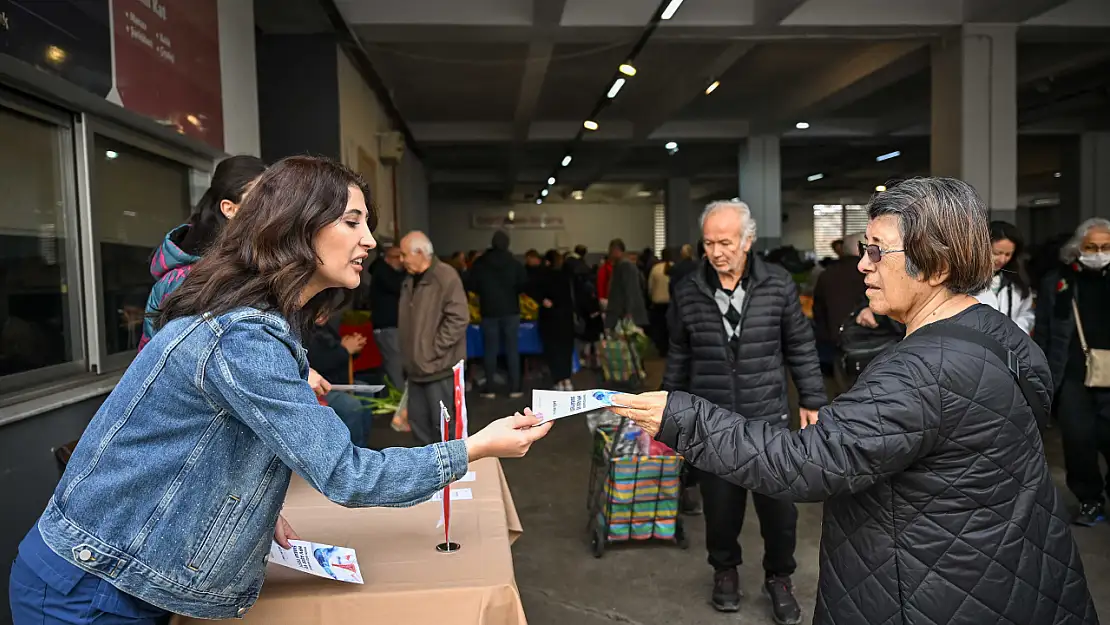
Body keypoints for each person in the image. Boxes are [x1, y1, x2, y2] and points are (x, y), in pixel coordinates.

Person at [9, 156, 553, 625]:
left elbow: (206, 446)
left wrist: (250, 509)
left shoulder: (249, 320)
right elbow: (347, 474)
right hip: (89, 591)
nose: (369, 240)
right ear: (296, 226)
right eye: (352, 221)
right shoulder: (242, 335)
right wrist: (476, 446)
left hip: (111, 577)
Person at [613, 178, 1096, 625]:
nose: (862, 263)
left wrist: (680, 417)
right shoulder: (999, 336)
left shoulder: (921, 371)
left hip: (932, 589)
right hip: (1011, 570)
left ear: (938, 265)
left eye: (876, 251)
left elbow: (807, 462)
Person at [664, 200, 824, 623]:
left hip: (767, 419)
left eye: (726, 242)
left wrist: (811, 398)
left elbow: (801, 344)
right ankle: (725, 572)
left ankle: (779, 578)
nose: (717, 252)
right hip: (711, 421)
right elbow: (679, 354)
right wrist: (667, 414)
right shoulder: (687, 290)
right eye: (709, 243)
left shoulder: (777, 284)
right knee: (720, 508)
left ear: (748, 240)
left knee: (779, 509)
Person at [139, 154, 267, 352]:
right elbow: (195, 359)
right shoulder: (186, 280)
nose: (272, 208)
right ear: (229, 209)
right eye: (260, 198)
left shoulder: (253, 262)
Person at [1035, 217, 1110, 526]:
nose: (1099, 252)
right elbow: (1045, 331)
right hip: (1072, 376)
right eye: (1091, 246)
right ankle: (1090, 500)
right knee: (1078, 442)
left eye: (1106, 247)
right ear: (1078, 248)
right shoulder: (1059, 281)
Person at [397, 230, 471, 445]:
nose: (401, 260)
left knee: (444, 430)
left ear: (420, 252)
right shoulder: (409, 281)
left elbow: (458, 318)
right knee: (418, 425)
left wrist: (432, 350)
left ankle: (449, 478)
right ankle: (430, 478)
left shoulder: (445, 276)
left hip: (439, 370)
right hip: (416, 371)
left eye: (404, 255)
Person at [467, 231, 529, 399]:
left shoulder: (481, 263)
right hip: (511, 311)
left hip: (489, 311)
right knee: (512, 350)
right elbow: (523, 285)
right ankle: (516, 388)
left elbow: (472, 284)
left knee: (490, 351)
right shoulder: (514, 263)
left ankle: (490, 388)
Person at [306, 313, 371, 445]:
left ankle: (363, 447)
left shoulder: (326, 329)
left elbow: (337, 353)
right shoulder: (303, 331)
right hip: (318, 388)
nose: (324, 313)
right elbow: (318, 363)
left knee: (366, 391)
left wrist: (353, 347)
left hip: (336, 380)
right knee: (351, 406)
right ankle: (352, 451)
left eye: (328, 309)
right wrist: (345, 349)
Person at [812, 232, 868, 376]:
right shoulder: (872, 273)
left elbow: (818, 310)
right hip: (870, 343)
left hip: (833, 343)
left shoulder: (827, 274)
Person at [527, 250, 577, 390]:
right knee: (566, 349)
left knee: (553, 350)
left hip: (550, 318)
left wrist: (542, 300)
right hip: (566, 318)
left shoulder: (543, 275)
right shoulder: (568, 275)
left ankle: (558, 380)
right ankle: (567, 379)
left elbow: (529, 288)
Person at [974, 220, 1034, 334]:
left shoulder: (1017, 282)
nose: (1002, 260)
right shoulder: (965, 282)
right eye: (997, 253)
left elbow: (1026, 313)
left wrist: (1015, 333)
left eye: (1008, 254)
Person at [370, 245, 406, 389]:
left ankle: (390, 396)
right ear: (388, 258)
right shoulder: (383, 273)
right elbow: (400, 288)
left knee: (391, 363)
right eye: (398, 257)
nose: (402, 260)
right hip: (387, 325)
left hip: (390, 325)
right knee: (394, 363)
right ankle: (400, 400)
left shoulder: (385, 271)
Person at [647, 247, 673, 356]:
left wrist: (651, 297)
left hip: (657, 303)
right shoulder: (674, 267)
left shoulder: (655, 269)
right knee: (670, 327)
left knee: (659, 327)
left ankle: (661, 349)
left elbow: (650, 287)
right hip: (671, 303)